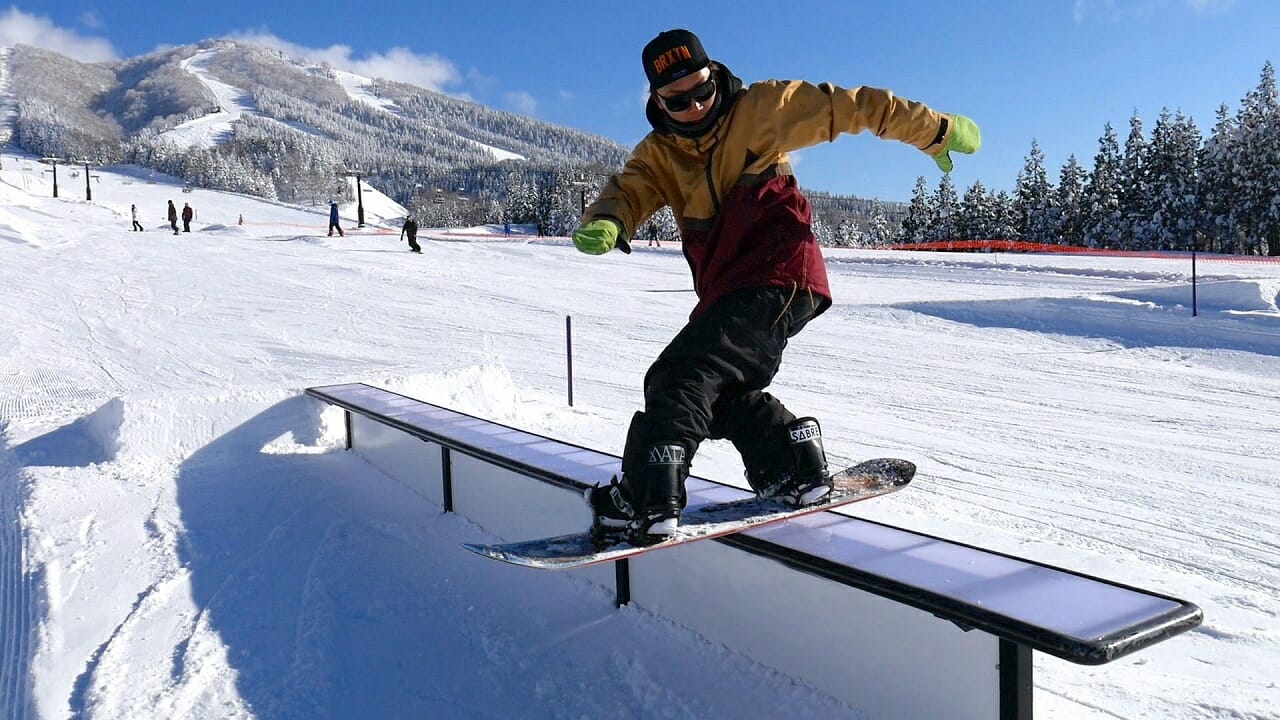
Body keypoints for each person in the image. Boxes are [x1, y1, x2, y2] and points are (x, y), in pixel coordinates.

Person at [572, 28, 979, 545]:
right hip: (731, 290)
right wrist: (610, 219)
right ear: (656, 100)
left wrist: (933, 130)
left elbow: (850, 107)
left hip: (778, 271)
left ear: (715, 75)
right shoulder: (659, 155)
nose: (696, 106)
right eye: (679, 100)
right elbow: (629, 190)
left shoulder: (759, 110)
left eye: (703, 91)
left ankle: (644, 496)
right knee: (717, 393)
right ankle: (791, 463)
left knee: (680, 375)